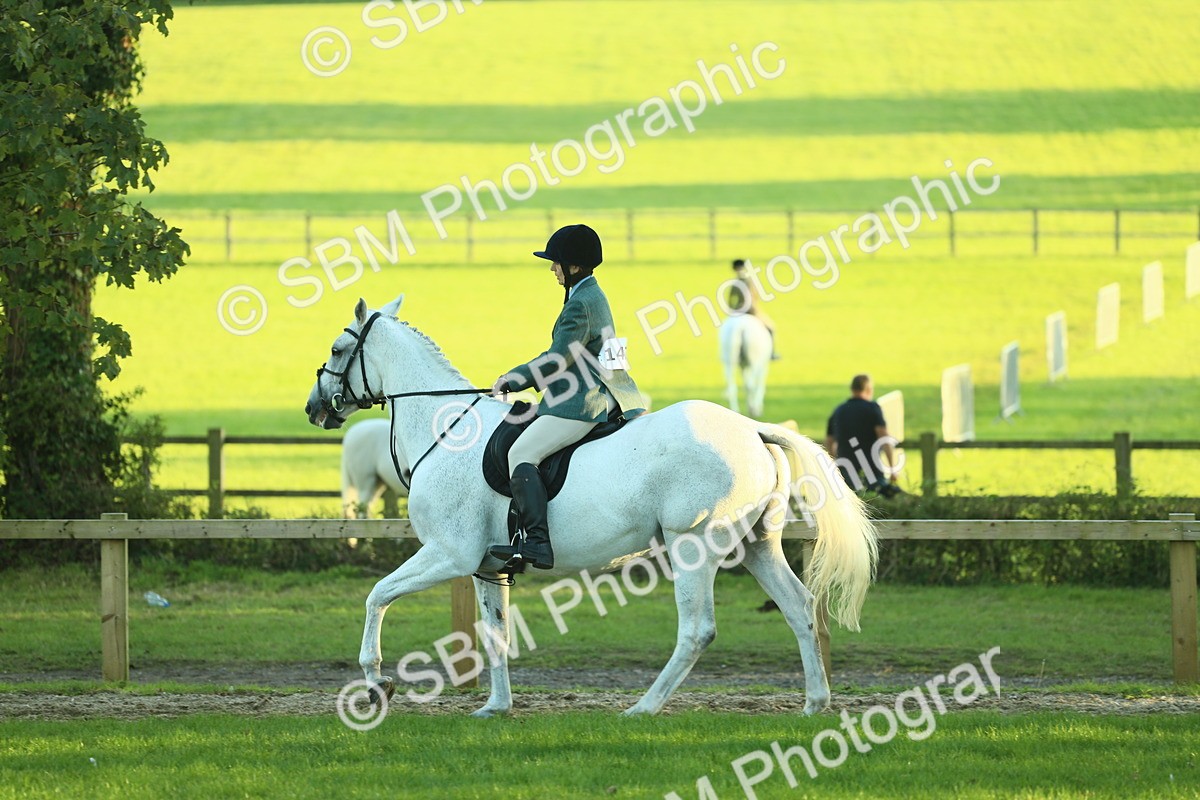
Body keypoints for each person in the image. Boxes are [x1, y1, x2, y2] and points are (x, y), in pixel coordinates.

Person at [488, 224, 646, 570]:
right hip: (602, 389)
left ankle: (538, 544)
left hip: (580, 402)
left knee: (521, 452)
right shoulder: (591, 295)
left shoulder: (581, 305)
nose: (551, 269)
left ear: (573, 267)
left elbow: (557, 358)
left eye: (556, 263)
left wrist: (512, 379)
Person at [824, 374, 900, 496]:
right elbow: (884, 439)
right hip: (872, 470)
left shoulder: (839, 411)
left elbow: (829, 441)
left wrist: (835, 465)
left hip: (846, 471)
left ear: (852, 389)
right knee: (878, 502)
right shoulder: (872, 408)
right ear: (869, 389)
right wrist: (892, 469)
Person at [724, 258, 780, 359]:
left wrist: (732, 311)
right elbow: (755, 296)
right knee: (770, 327)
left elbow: (730, 299)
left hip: (738, 311)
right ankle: (771, 353)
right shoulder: (749, 281)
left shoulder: (734, 283)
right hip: (751, 310)